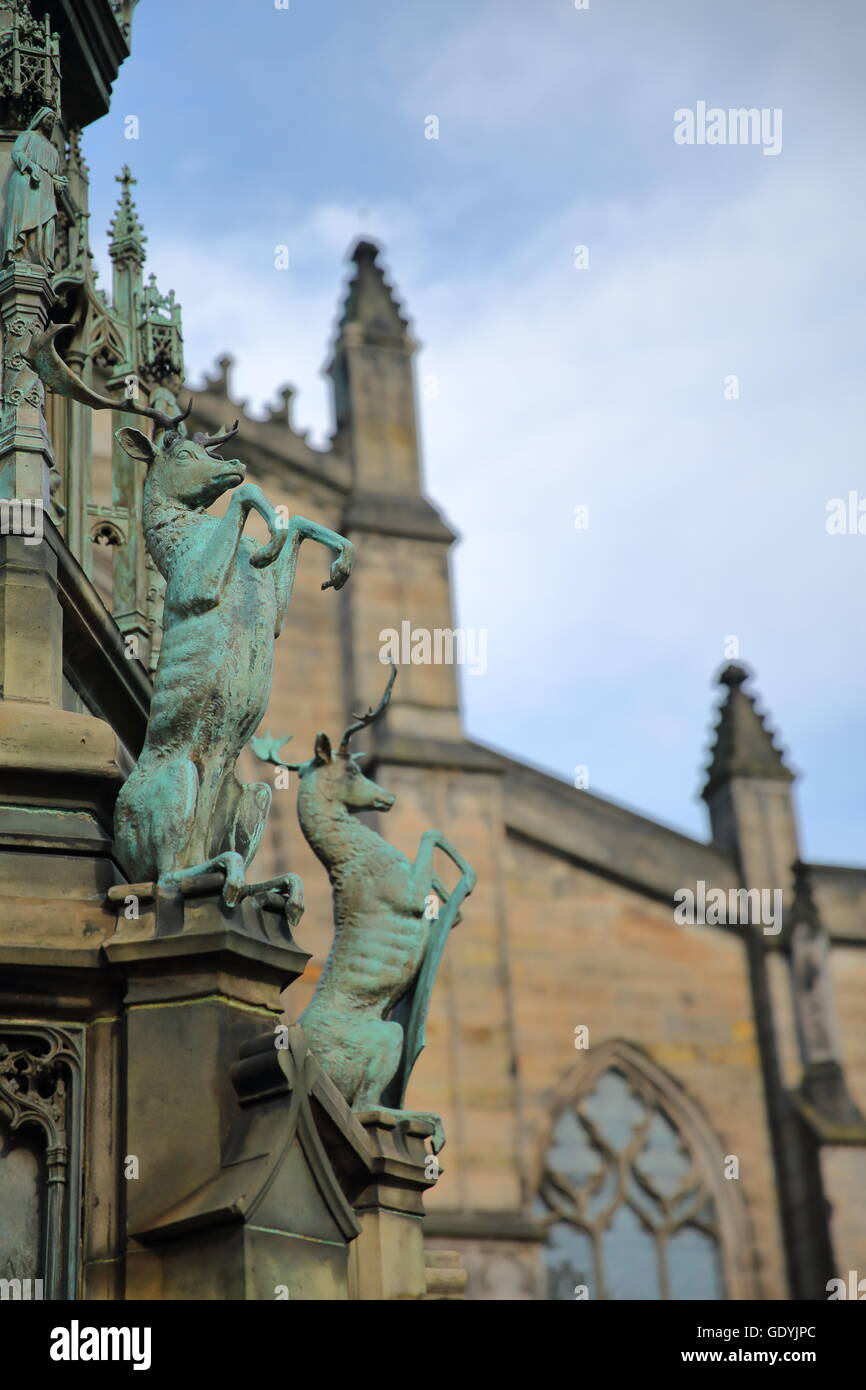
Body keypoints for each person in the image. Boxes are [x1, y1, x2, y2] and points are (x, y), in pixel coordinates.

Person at [1, 106, 68, 269]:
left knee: (47, 225)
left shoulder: (53, 150)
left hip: (45, 192)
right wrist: (31, 167)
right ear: (40, 119)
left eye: (53, 120)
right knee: (24, 221)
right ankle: (18, 253)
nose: (51, 123)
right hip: (27, 184)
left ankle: (41, 260)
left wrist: (59, 181)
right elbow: (16, 153)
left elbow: (53, 174)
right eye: (48, 118)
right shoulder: (27, 136)